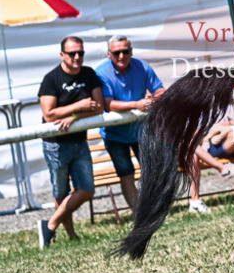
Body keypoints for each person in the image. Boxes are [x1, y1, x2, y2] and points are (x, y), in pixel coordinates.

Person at [37, 36, 105, 249]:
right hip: (55, 143)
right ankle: (70, 235)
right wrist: (79, 105)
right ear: (62, 55)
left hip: (79, 140)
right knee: (61, 191)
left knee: (86, 189)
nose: (77, 57)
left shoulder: (89, 74)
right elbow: (49, 115)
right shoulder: (51, 79)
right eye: (72, 53)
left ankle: (49, 225)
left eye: (80, 53)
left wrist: (73, 117)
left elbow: (99, 107)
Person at [95, 35, 163, 216]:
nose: (121, 56)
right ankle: (140, 216)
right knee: (126, 174)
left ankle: (155, 211)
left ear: (131, 52)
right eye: (116, 52)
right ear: (109, 54)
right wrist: (138, 104)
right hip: (114, 135)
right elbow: (107, 105)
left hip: (141, 131)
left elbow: (160, 91)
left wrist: (153, 99)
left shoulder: (142, 66)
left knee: (152, 171)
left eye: (125, 51)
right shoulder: (101, 72)